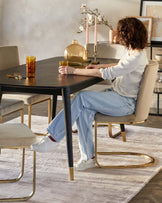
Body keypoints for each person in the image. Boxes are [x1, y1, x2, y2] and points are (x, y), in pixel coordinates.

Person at [31, 17, 148, 171]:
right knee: (84, 110)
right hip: (118, 96)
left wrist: (73, 71)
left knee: (81, 97)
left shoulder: (136, 57)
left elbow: (107, 74)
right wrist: (98, 66)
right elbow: (119, 66)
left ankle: (52, 138)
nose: (117, 36)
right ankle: (88, 158)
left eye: (119, 33)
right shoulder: (135, 52)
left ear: (126, 35)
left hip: (125, 103)